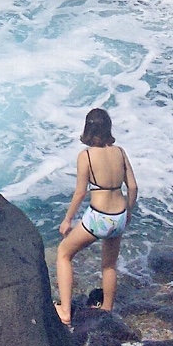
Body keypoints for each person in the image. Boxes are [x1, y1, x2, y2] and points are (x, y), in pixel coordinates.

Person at [55, 106, 136, 325]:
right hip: (119, 215)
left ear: (88, 131)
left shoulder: (86, 157)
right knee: (109, 265)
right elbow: (134, 187)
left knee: (64, 253)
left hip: (99, 217)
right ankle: (107, 310)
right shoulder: (120, 152)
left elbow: (81, 192)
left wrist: (67, 220)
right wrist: (128, 213)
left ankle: (65, 310)